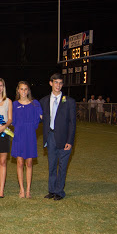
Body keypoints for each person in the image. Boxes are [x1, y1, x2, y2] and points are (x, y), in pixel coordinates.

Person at [40, 73, 76, 201]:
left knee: (62, 166)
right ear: (51, 83)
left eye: (60, 83)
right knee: (52, 165)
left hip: (64, 139)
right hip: (50, 137)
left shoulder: (69, 101)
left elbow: (72, 123)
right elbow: (39, 119)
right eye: (56, 82)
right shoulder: (43, 101)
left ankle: (59, 191)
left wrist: (70, 141)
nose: (58, 85)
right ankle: (51, 190)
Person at [11, 81, 42, 198]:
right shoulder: (13, 104)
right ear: (18, 90)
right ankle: (21, 189)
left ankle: (28, 189)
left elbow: (44, 117)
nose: (23, 91)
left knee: (29, 163)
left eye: (25, 89)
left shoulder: (35, 104)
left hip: (30, 136)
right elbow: (9, 119)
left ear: (28, 90)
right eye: (21, 89)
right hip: (18, 135)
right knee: (19, 163)